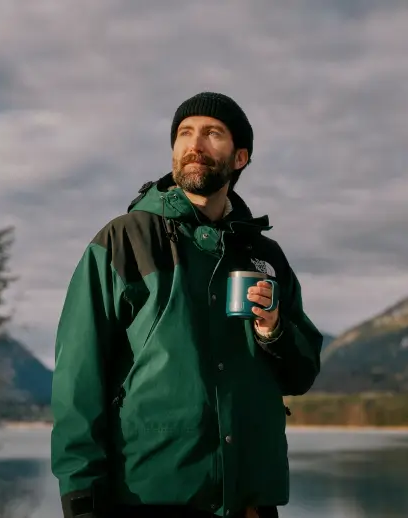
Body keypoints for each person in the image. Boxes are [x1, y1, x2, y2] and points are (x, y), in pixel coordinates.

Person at [51, 92, 323, 518]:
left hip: (249, 499)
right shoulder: (125, 240)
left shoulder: (265, 256)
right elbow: (77, 380)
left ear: (240, 158)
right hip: (150, 494)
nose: (194, 144)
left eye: (213, 133)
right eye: (184, 133)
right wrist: (81, 498)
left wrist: (274, 330)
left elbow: (302, 372)